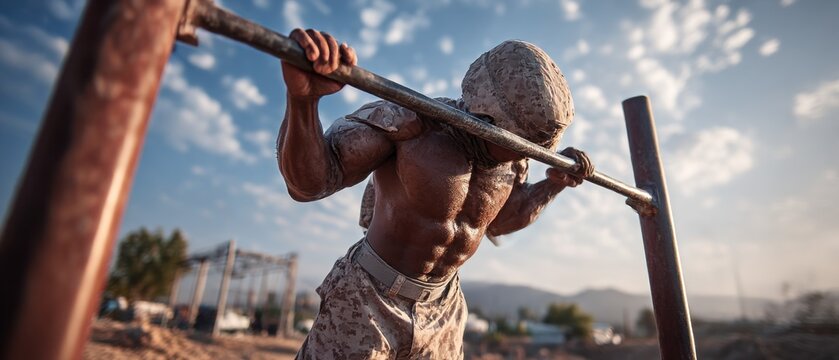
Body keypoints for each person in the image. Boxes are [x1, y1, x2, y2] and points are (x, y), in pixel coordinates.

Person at [277, 28, 594, 359]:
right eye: (517, 142)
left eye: (533, 146)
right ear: (486, 114)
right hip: (369, 298)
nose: (522, 153)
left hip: (443, 308)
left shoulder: (516, 163)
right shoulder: (410, 124)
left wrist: (553, 183)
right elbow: (308, 184)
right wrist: (303, 100)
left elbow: (500, 223)